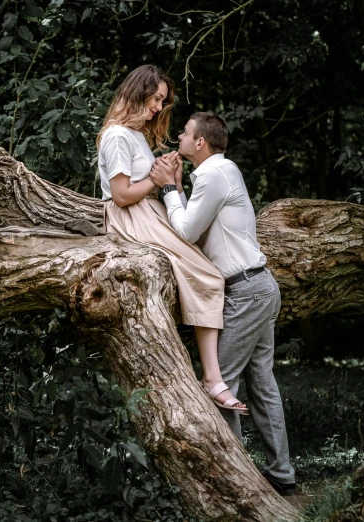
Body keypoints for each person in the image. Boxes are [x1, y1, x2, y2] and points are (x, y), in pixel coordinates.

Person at [149, 112, 296, 495]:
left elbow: (185, 231)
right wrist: (178, 188)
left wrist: (167, 188)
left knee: (219, 385)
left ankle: (237, 481)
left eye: (184, 132)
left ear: (200, 143)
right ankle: (280, 474)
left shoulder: (214, 175)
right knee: (261, 384)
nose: (178, 136)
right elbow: (196, 231)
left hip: (246, 291)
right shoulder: (218, 174)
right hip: (258, 286)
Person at [97, 65, 247, 414]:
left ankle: (212, 378)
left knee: (205, 272)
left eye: (162, 101)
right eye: (155, 99)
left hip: (147, 212)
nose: (158, 107)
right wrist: (157, 179)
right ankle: (212, 379)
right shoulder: (117, 134)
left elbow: (144, 185)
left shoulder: (134, 135)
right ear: (138, 93)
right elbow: (120, 195)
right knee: (208, 275)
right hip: (130, 217)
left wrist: (169, 180)